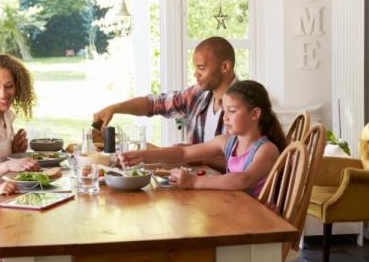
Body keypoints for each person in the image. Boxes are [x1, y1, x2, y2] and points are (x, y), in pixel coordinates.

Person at [121, 80, 287, 196]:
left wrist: (194, 182)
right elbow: (182, 154)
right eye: (225, 111)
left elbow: (243, 180)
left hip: (261, 225)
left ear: (255, 114)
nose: (225, 117)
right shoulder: (228, 142)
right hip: (236, 209)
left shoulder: (266, 150)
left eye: (232, 111)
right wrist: (142, 156)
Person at [93, 36, 238, 145]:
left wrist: (189, 155)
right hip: (196, 181)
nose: (195, 74)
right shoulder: (198, 94)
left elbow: (242, 160)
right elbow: (156, 104)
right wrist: (114, 108)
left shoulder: (244, 104)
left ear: (225, 66)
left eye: (201, 68)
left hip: (227, 184)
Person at [0, 53, 39, 196]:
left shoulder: (6, 114)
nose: (3, 95)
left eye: (9, 86)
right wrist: (8, 164)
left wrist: (13, 152)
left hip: (8, 198)